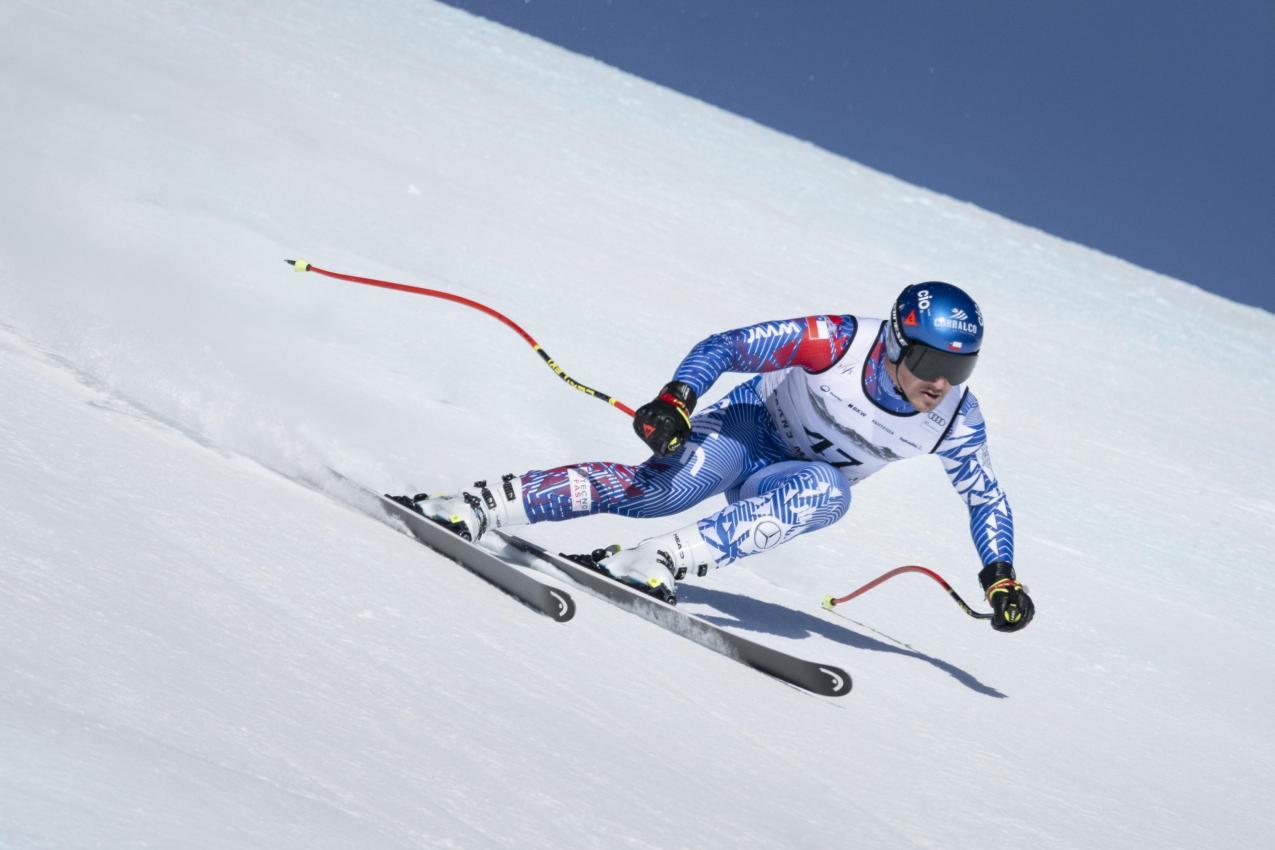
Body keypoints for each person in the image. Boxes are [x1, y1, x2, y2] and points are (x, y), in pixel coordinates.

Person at [392, 281, 1034, 632]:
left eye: (961, 367)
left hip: (792, 481)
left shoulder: (954, 420)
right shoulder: (839, 342)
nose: (941, 383)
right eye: (930, 362)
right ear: (895, 344)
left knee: (830, 493)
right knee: (659, 494)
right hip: (748, 428)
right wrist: (678, 398)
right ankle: (474, 504)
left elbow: (985, 497)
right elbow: (732, 346)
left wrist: (999, 576)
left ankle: (658, 561)